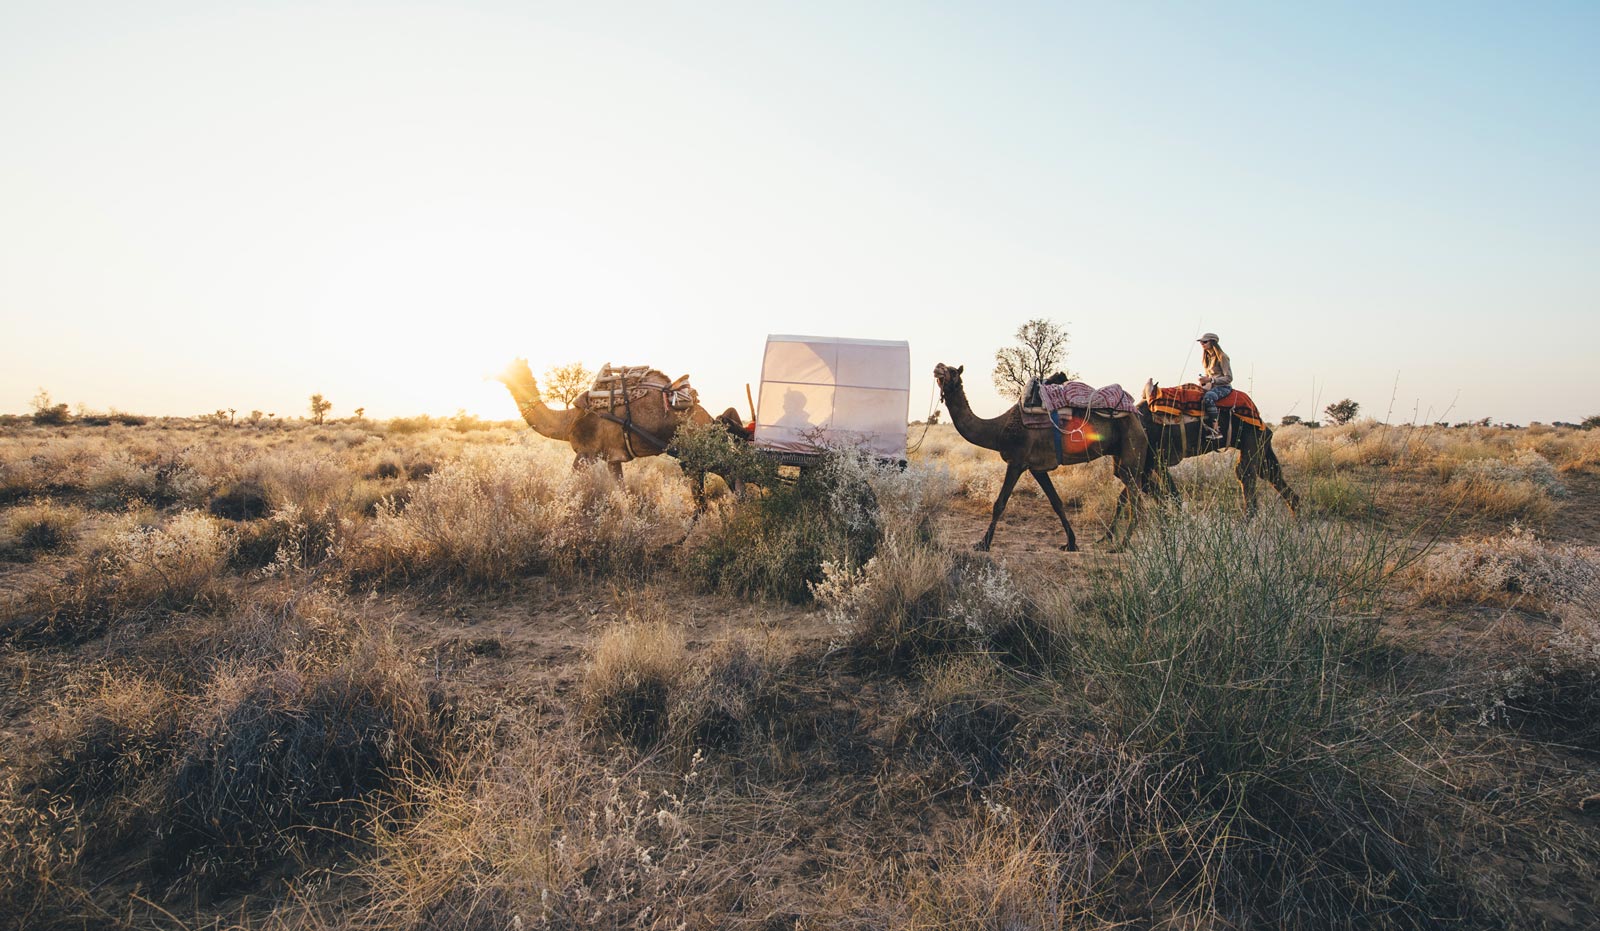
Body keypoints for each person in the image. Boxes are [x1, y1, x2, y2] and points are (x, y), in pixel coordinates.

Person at [1196, 332, 1232, 441]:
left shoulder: (1222, 357)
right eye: (1201, 342)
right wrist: (1204, 380)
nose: (1202, 343)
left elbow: (1229, 378)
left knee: (1208, 397)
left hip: (1223, 387)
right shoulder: (1206, 358)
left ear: (1213, 342)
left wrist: (1211, 379)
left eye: (1205, 341)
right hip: (1211, 386)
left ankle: (1216, 430)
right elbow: (1209, 375)